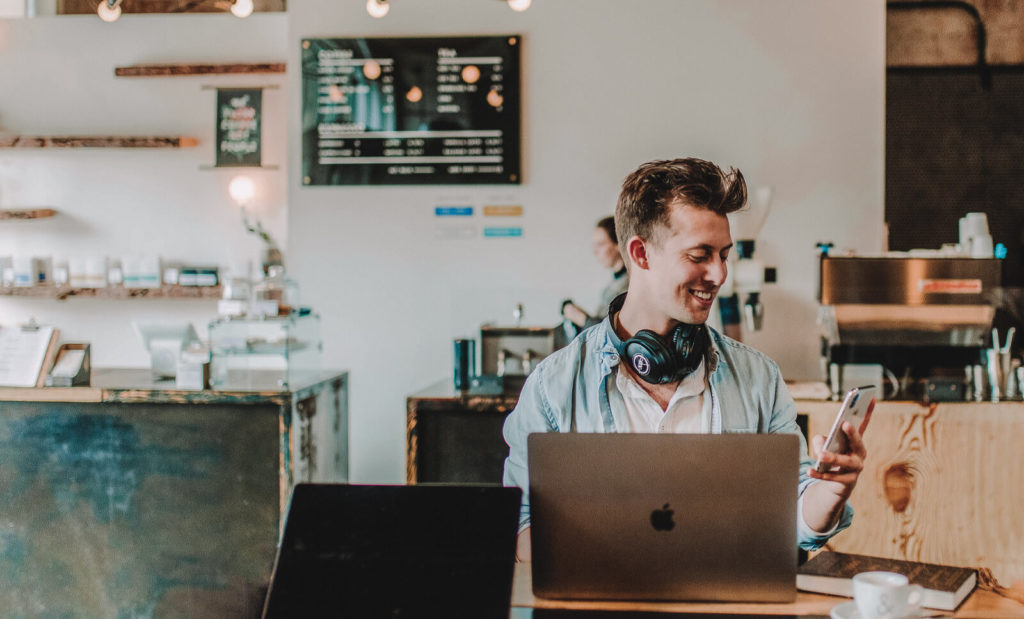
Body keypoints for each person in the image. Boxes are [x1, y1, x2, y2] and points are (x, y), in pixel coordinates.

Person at [503, 158, 871, 561]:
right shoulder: (552, 387)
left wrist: (831, 491)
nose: (719, 275)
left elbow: (795, 519)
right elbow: (520, 529)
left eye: (724, 255)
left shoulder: (758, 377)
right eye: (700, 255)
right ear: (641, 254)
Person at [561, 217, 629, 333]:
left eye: (601, 244)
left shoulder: (629, 285)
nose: (595, 251)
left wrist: (580, 318)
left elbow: (610, 334)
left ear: (618, 244)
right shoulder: (615, 282)